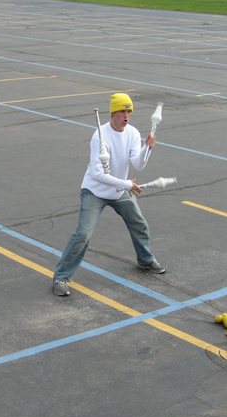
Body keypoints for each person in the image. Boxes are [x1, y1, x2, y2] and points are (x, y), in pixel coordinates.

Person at [51, 93, 165, 296]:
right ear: (113, 112)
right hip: (94, 191)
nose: (126, 115)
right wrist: (126, 184)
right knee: (83, 234)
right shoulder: (100, 136)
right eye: (122, 111)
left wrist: (147, 148)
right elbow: (97, 174)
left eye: (129, 111)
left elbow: (138, 164)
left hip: (120, 190)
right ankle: (61, 276)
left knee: (139, 224)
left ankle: (146, 260)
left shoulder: (132, 133)